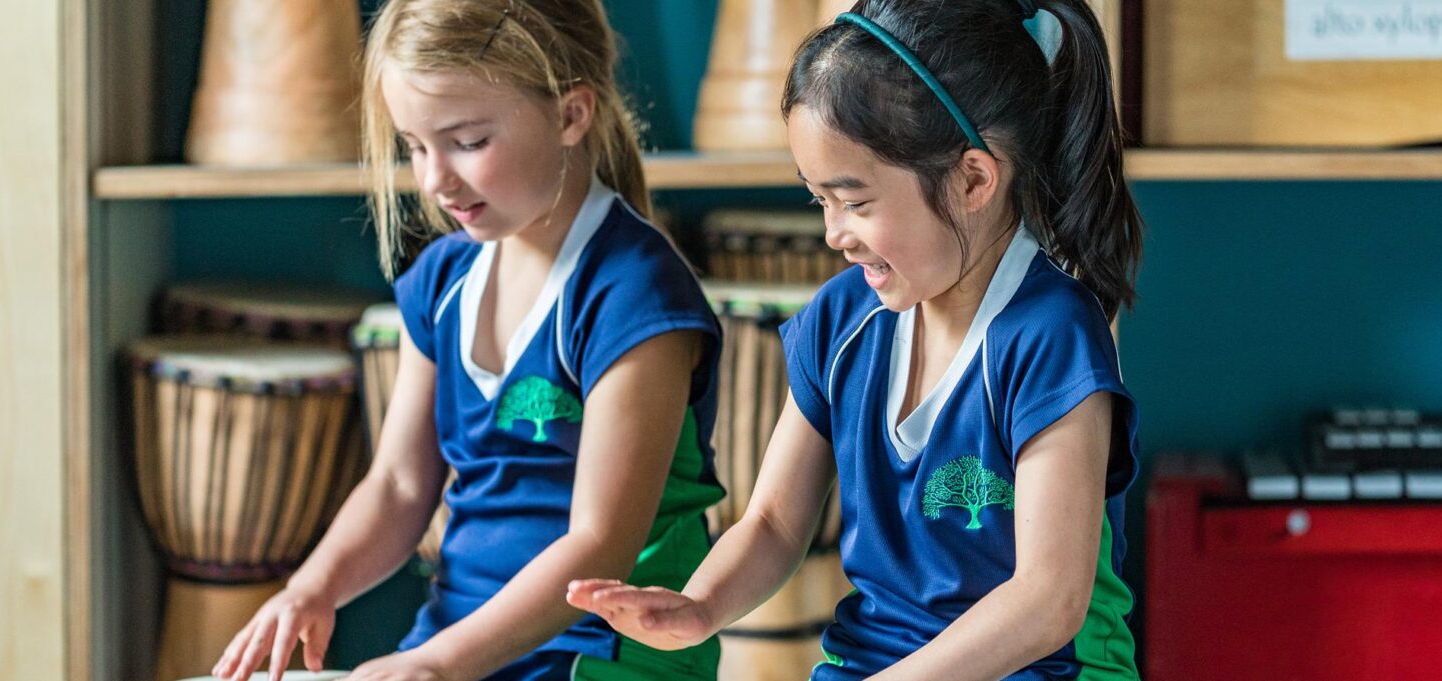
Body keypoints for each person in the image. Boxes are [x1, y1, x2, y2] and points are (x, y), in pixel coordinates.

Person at [569, 0, 1145, 678]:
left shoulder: (1051, 334)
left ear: (972, 179)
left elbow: (1048, 600)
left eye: (856, 202)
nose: (834, 234)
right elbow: (776, 524)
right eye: (821, 201)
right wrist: (698, 606)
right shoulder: (843, 320)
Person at [212, 1, 725, 679]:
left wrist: (436, 665)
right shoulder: (445, 280)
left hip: (604, 649)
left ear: (572, 114)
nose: (433, 179)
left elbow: (601, 545)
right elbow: (398, 485)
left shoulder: (633, 292)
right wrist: (311, 588)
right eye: (416, 145)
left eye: (467, 141)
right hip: (462, 638)